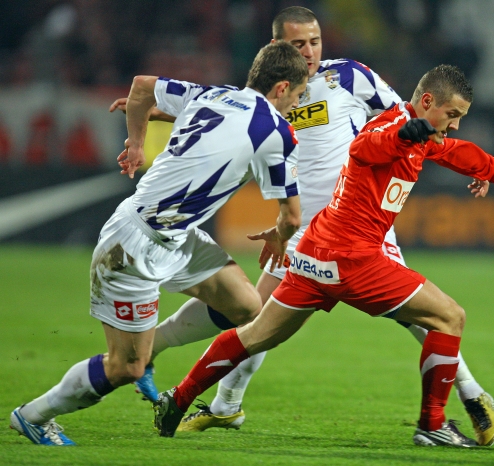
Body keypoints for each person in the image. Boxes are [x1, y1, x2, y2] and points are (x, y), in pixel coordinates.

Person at [120, 6, 494, 446]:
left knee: (422, 315)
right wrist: (159, 115)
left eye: (315, 41)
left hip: (362, 221)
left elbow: (415, 119)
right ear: (276, 47)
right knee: (256, 316)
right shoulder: (272, 90)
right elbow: (217, 109)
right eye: (298, 44)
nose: (310, 52)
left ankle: (470, 395)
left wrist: (470, 158)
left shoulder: (351, 77)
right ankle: (220, 402)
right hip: (302, 226)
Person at [8, 41, 308, 446]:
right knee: (124, 367)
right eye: (299, 95)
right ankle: (33, 415)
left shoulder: (213, 94)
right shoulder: (275, 130)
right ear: (282, 87)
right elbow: (291, 216)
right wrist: (280, 235)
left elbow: (141, 88)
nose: (297, 103)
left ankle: (154, 349)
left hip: (178, 235)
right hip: (133, 246)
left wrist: (135, 141)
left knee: (247, 306)